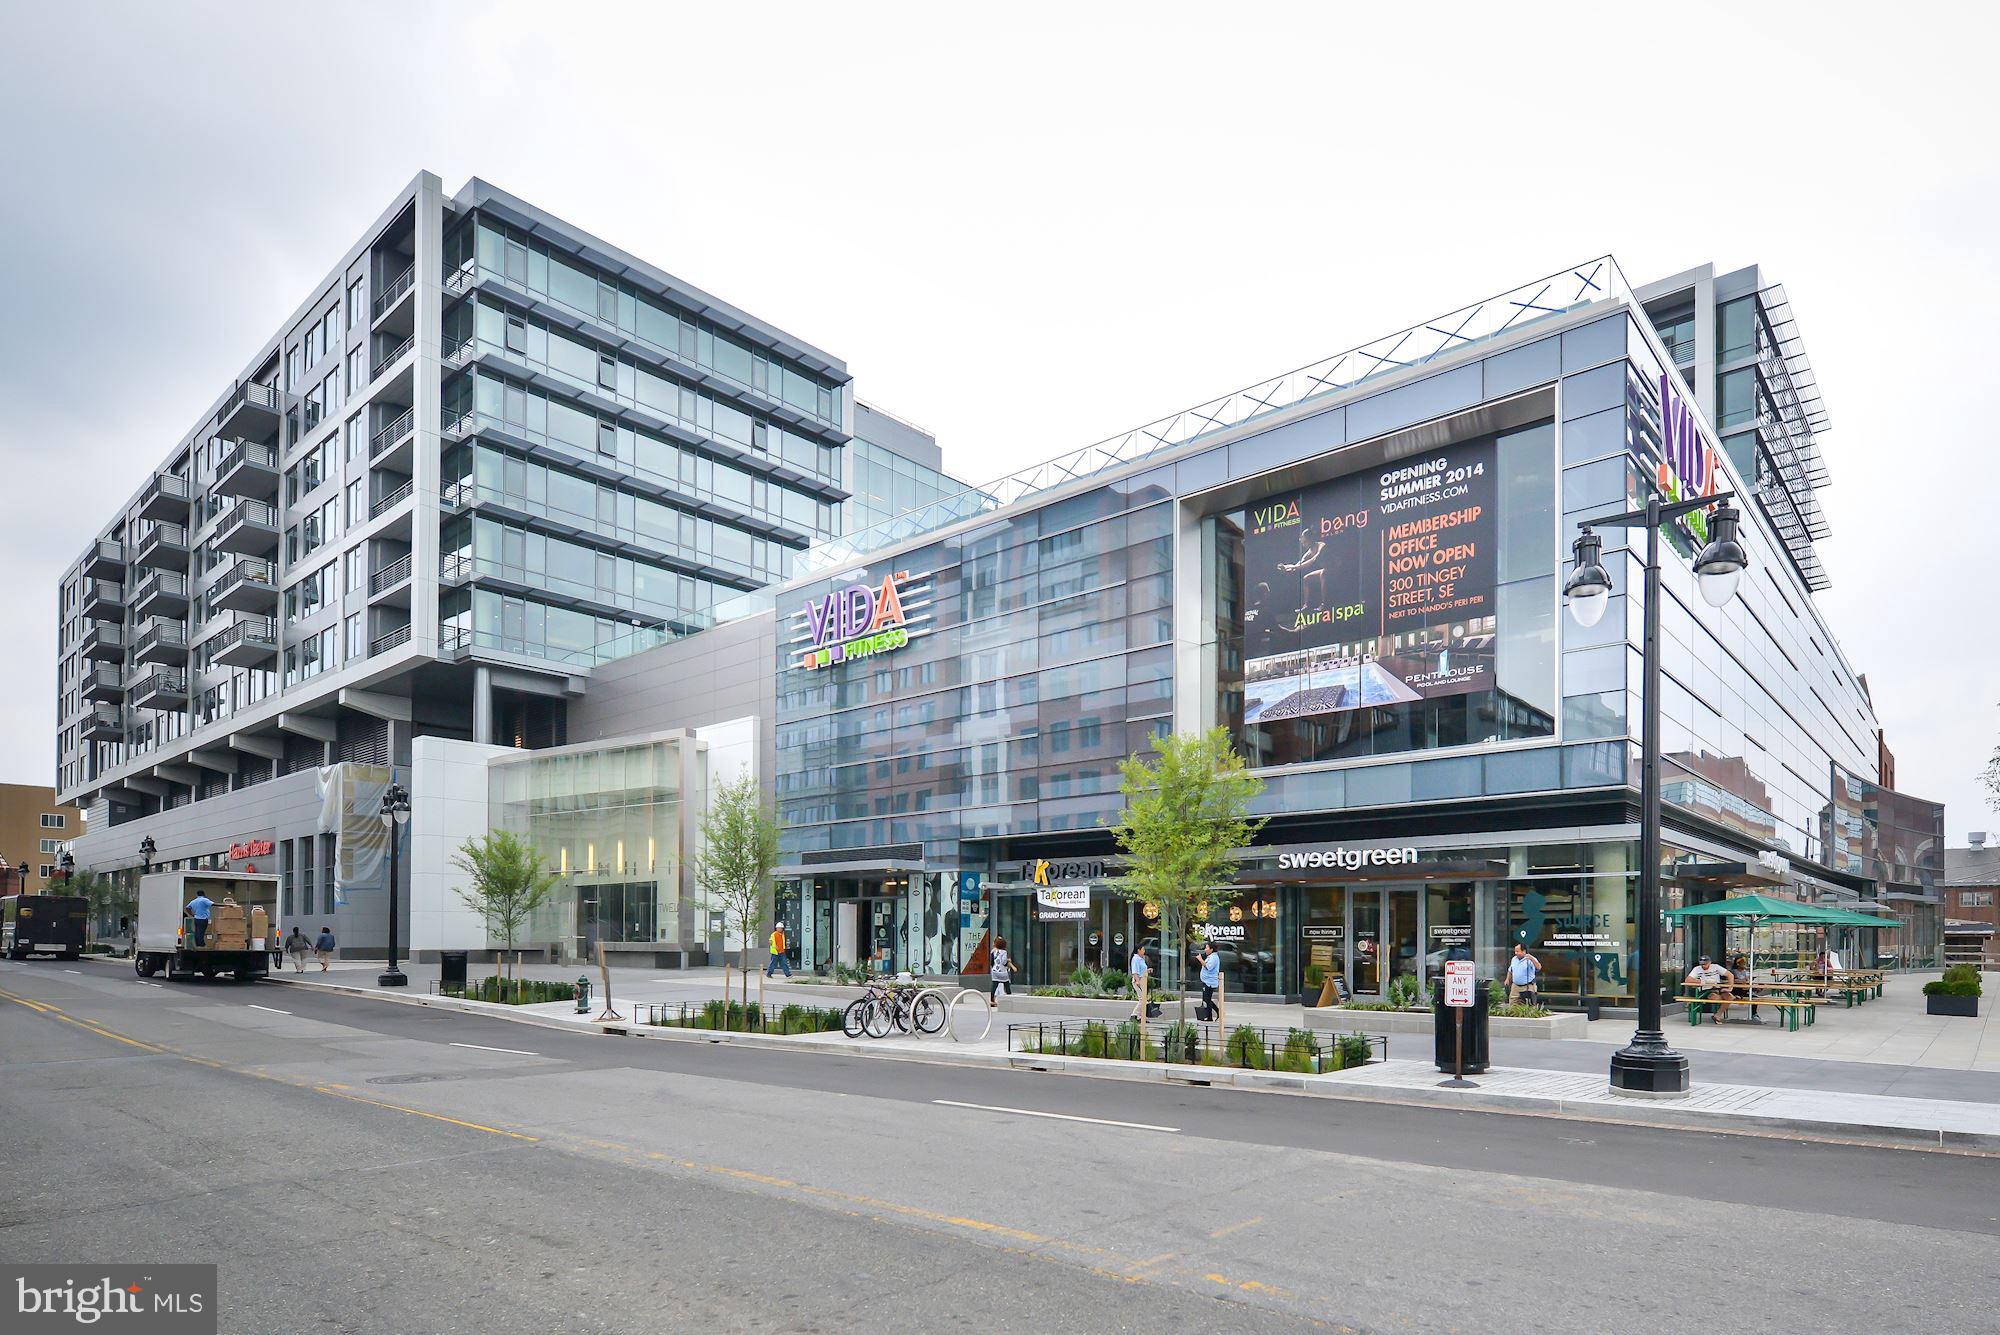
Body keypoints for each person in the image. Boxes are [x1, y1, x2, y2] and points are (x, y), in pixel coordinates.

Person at [1683, 955, 1735, 1021]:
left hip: (1717, 987)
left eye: (1705, 964)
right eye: (1701, 964)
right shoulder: (1697, 969)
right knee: (1715, 998)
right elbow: (1687, 980)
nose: (1703, 966)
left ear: (1710, 962)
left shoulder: (1715, 967)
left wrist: (1730, 988)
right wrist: (1703, 981)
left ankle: (1717, 1015)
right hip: (1706, 989)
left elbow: (1730, 975)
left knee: (1730, 997)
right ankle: (1718, 1012)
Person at [987, 936, 1015, 1007]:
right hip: (1002, 972)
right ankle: (1009, 998)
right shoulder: (1004, 952)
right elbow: (1004, 962)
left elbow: (991, 962)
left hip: (994, 971)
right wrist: (1008, 961)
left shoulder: (993, 951)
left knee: (994, 985)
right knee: (1006, 985)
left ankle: (992, 1001)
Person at [1198, 942, 1222, 1023]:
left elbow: (1208, 967)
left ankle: (1214, 1014)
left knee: (1207, 999)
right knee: (1207, 999)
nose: (1205, 949)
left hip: (1209, 982)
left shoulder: (1214, 958)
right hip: (1207, 981)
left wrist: (1200, 959)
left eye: (1207, 948)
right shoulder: (1211, 956)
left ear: (1211, 949)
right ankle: (1210, 1016)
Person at [1130, 945, 1151, 1019]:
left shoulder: (1140, 959)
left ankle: (1140, 1017)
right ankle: (1134, 1014)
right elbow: (1135, 971)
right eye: (1143, 949)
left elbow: (1142, 970)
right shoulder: (1136, 959)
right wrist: (1137, 981)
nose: (1144, 951)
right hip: (1138, 980)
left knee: (1144, 999)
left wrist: (1148, 970)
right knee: (1143, 999)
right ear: (1139, 950)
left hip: (1143, 980)